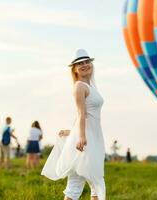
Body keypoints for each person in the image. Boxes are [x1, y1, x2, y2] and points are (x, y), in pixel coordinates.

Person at [42, 49, 106, 200]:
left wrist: (73, 132)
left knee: (95, 183)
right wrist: (81, 137)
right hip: (86, 140)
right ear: (75, 69)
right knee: (79, 183)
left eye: (87, 62)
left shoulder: (90, 86)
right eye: (80, 63)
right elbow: (81, 114)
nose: (85, 65)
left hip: (94, 137)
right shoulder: (79, 87)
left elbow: (86, 115)